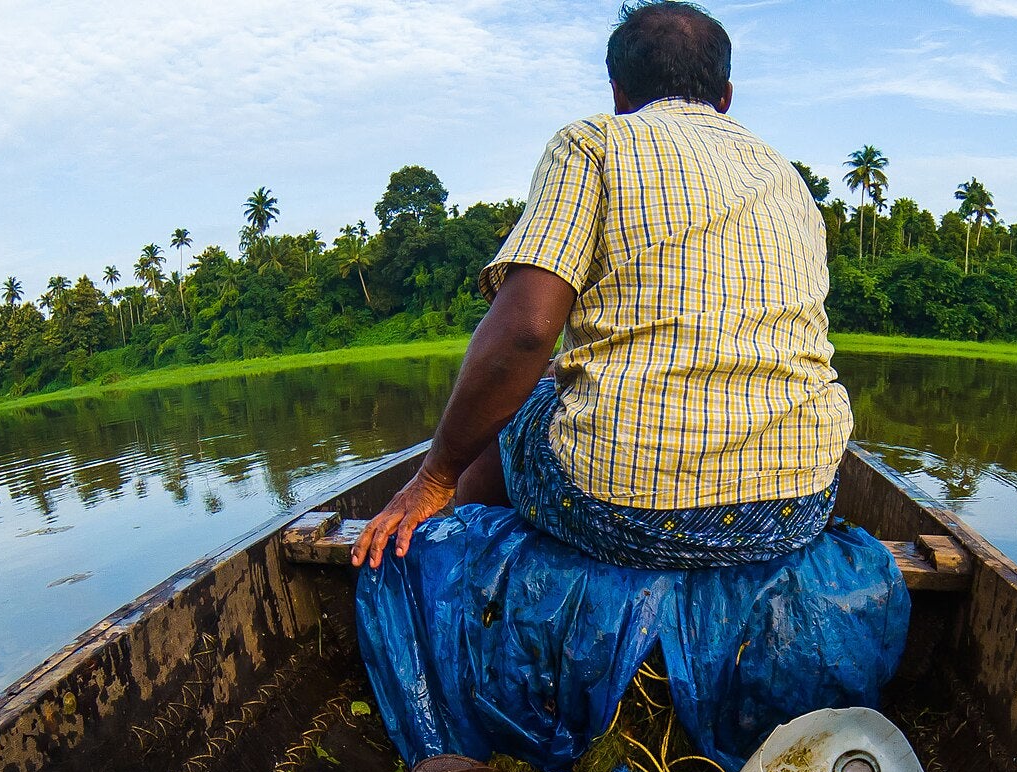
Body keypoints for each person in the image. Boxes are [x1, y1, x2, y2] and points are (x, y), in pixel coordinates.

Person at [353, 0, 852, 572]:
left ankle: (465, 543)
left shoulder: (594, 142)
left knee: (519, 399)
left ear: (618, 93)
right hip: (798, 502)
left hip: (621, 509)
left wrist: (434, 475)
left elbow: (526, 332)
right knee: (539, 384)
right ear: (726, 96)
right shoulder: (782, 171)